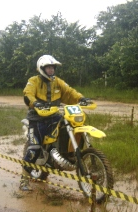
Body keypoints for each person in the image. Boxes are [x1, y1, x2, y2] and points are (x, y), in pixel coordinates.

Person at [20, 54, 90, 191]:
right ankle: (24, 179)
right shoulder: (33, 81)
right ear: (42, 69)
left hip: (53, 116)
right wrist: (36, 103)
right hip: (37, 118)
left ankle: (65, 153)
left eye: (53, 67)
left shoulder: (57, 81)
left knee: (69, 126)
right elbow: (27, 94)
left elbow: (70, 92)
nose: (51, 70)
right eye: (48, 68)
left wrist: (81, 98)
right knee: (34, 148)